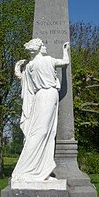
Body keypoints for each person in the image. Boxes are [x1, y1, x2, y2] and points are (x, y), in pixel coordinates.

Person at [11, 38, 70, 182]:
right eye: (43, 44)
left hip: (40, 96)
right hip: (48, 95)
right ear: (37, 48)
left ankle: (40, 169)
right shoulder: (48, 60)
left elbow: (24, 80)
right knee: (41, 131)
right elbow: (65, 62)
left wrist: (18, 70)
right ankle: (26, 169)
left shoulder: (30, 66)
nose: (45, 46)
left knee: (42, 131)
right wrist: (65, 51)